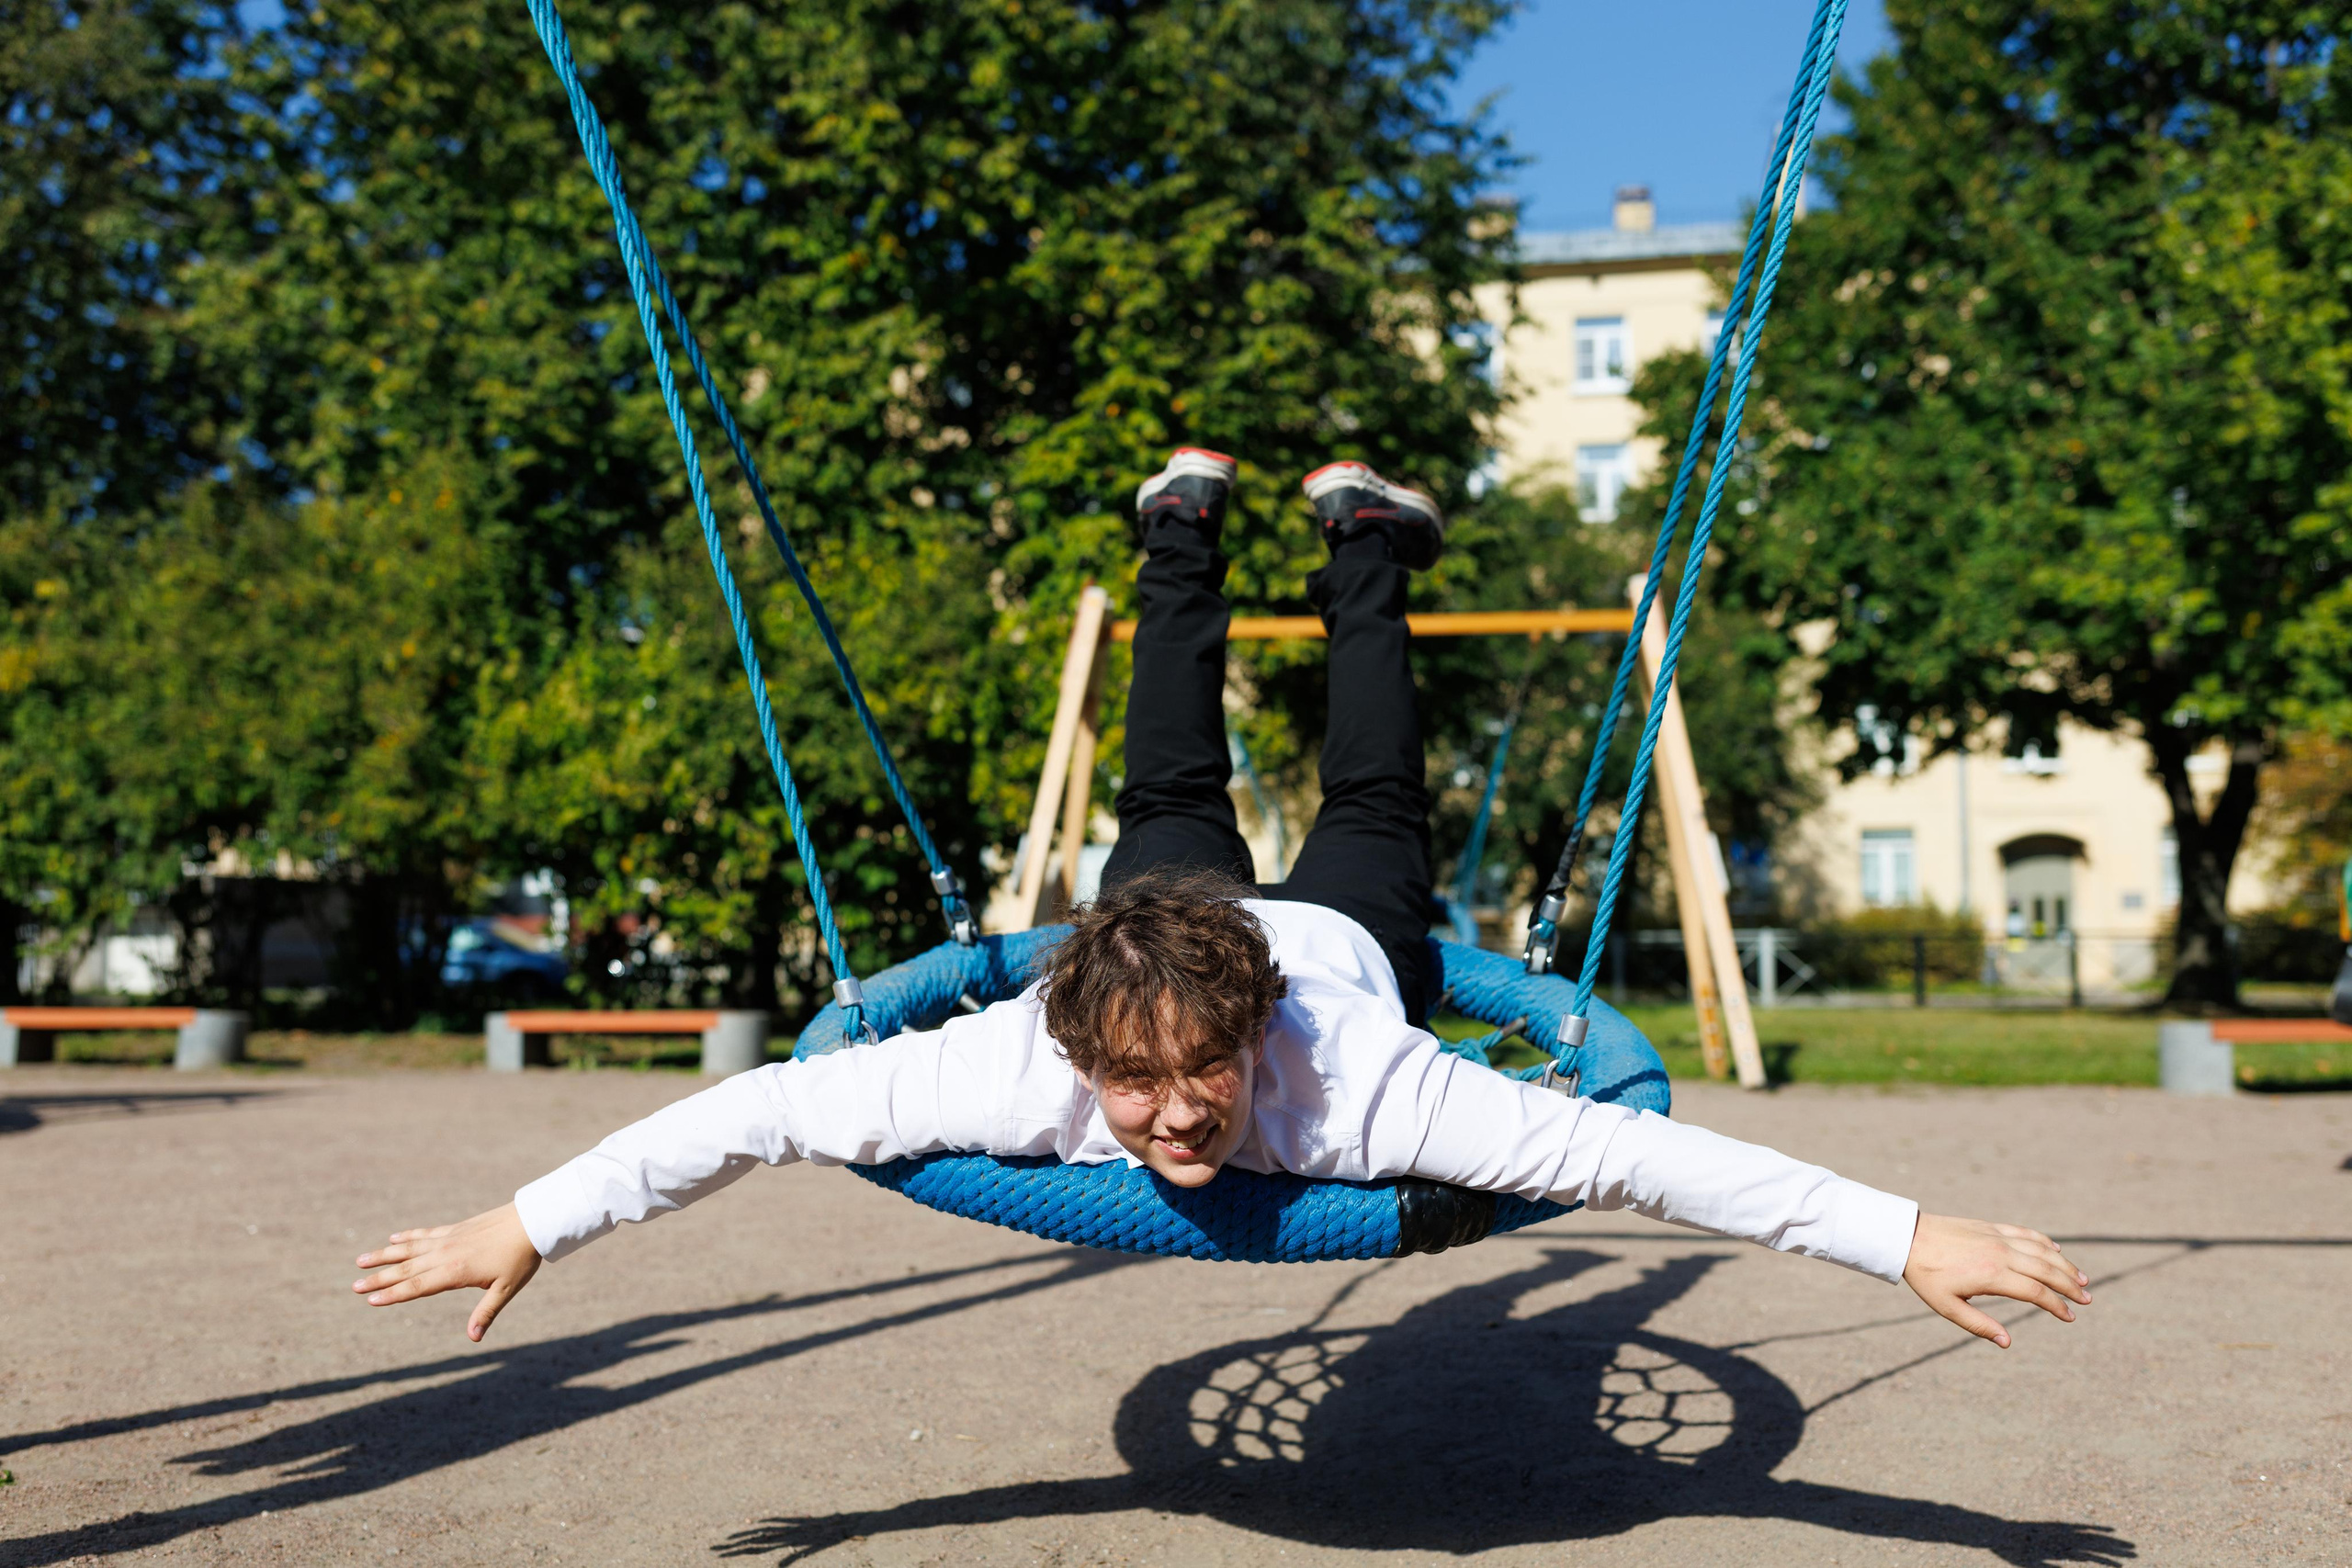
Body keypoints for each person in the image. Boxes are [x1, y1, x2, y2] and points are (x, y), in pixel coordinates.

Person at [354, 448, 2092, 1348]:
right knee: (1170, 793)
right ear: (1074, 1032)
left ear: (1261, 1033)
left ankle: (1359, 539)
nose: (1177, 1116)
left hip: (1340, 944)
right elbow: (749, 1114)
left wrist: (1902, 1234)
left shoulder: (1367, 1076)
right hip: (1180, 911)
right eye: (1140, 1082)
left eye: (1205, 1074)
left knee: (1364, 806)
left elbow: (1648, 1156)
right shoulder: (1011, 1063)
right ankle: (1185, 528)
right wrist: (528, 1223)